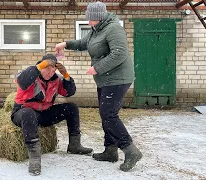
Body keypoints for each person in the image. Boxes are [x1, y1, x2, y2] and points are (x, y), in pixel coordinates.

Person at [54, 1, 142, 172]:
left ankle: (130, 150)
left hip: (117, 79)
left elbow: (119, 53)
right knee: (106, 114)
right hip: (105, 80)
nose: (88, 22)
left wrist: (97, 68)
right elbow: (83, 43)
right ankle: (110, 151)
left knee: (108, 114)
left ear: (100, 17)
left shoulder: (113, 28)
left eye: (91, 19)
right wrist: (65, 44)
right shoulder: (97, 30)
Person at [11, 53, 93, 176]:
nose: (50, 73)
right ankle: (34, 157)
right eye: (47, 69)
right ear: (41, 66)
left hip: (44, 114)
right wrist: (39, 66)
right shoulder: (31, 75)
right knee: (28, 113)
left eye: (53, 70)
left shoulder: (56, 79)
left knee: (72, 108)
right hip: (23, 113)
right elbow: (22, 82)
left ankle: (74, 145)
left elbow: (69, 92)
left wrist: (66, 75)